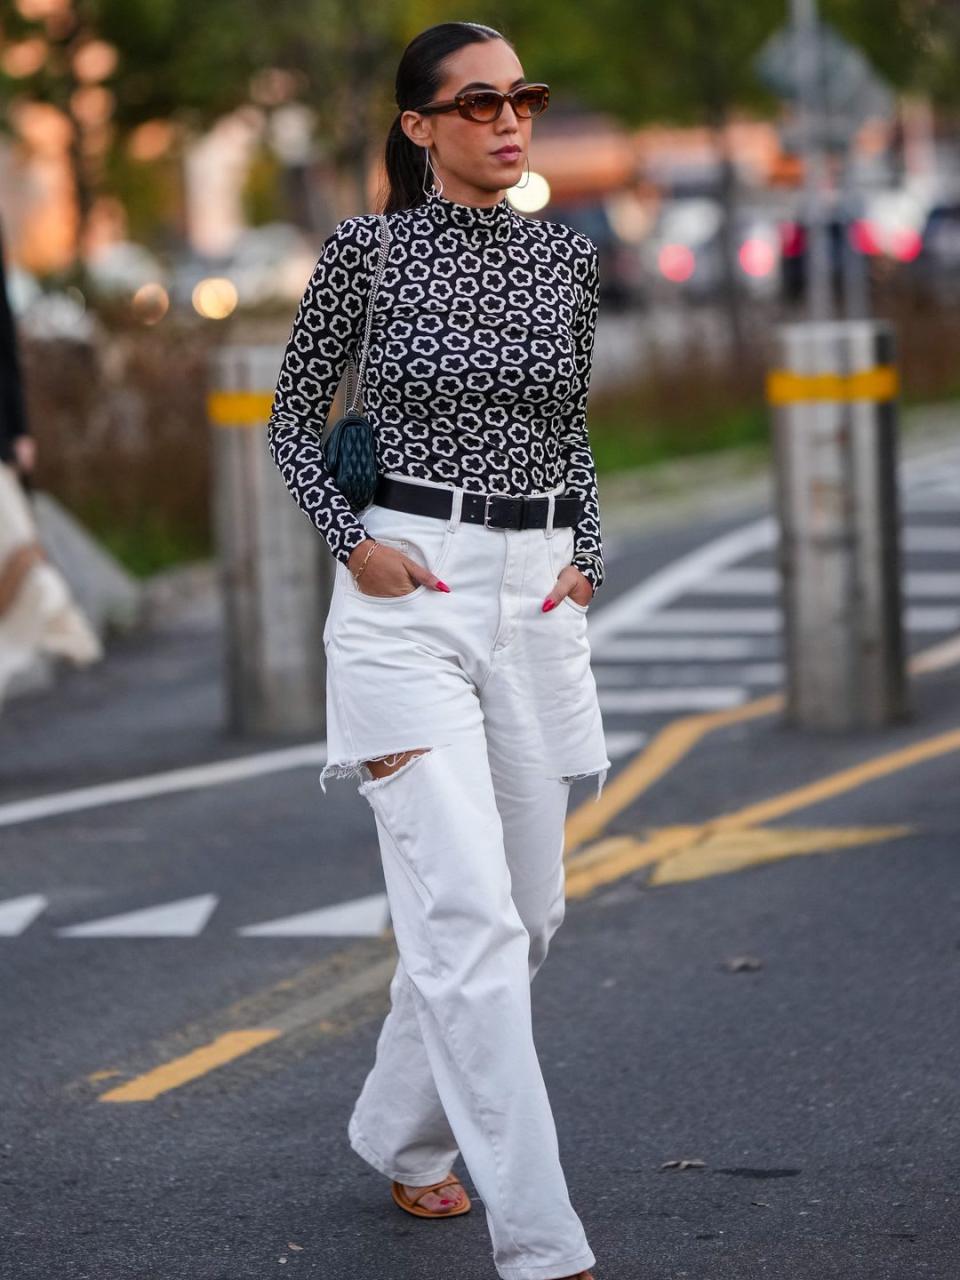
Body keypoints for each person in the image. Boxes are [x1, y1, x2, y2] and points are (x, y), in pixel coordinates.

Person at [267, 21, 607, 1280]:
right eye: (476, 103)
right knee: (465, 915)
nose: (507, 119)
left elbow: (569, 437)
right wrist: (353, 540)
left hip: (533, 598)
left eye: (522, 96)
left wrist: (591, 553)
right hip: (406, 594)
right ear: (419, 128)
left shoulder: (567, 262)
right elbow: (293, 422)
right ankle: (544, 1240)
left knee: (528, 915)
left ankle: (398, 1134)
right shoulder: (366, 252)